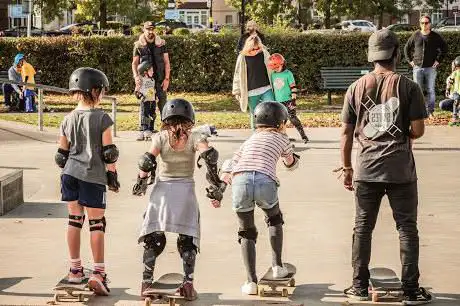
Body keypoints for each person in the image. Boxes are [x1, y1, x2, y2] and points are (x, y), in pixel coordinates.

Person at [340, 29, 432, 305]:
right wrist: (402, 132)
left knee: (362, 228)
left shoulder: (356, 87)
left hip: (367, 168)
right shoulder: (409, 87)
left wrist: (346, 168)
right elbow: (418, 130)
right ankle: (412, 290)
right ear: (394, 54)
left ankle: (358, 287)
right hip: (400, 170)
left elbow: (345, 133)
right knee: (407, 228)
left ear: (372, 55)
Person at [132, 98, 225, 300]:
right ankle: (188, 284)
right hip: (185, 192)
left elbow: (146, 162)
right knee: (187, 240)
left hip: (162, 192)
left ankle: (146, 282)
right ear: (190, 118)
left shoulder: (160, 137)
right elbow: (209, 156)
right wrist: (215, 184)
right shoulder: (195, 137)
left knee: (153, 238)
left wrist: (140, 182)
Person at [220, 101, 300, 295]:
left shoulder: (250, 140)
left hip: (240, 181)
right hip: (265, 180)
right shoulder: (282, 138)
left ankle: (251, 282)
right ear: (280, 123)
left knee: (246, 231)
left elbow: (230, 165)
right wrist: (293, 160)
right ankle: (277, 266)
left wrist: (222, 185)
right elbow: (290, 163)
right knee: (274, 219)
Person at [55, 67, 120, 296]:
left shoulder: (67, 118)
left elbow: (61, 155)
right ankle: (99, 272)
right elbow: (109, 153)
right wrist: (112, 175)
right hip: (92, 176)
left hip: (69, 174)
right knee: (97, 224)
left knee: (74, 220)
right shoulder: (102, 117)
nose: (102, 94)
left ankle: (75, 270)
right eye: (101, 90)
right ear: (93, 90)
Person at [404, 15, 448, 117]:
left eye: (426, 23)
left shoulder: (435, 36)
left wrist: (438, 61)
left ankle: (430, 111)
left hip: (430, 68)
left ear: (430, 24)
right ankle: (420, 112)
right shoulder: (415, 35)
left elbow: (444, 48)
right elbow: (406, 48)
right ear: (420, 24)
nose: (424, 25)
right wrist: (410, 61)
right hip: (417, 68)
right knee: (418, 91)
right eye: (422, 23)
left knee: (430, 90)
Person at [232, 35, 274, 130]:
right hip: (251, 92)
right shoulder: (242, 57)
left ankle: (271, 133)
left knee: (271, 108)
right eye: (253, 49)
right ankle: (256, 134)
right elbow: (237, 74)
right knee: (255, 114)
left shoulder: (264, 53)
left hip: (266, 88)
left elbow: (272, 67)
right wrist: (236, 90)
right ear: (248, 47)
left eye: (258, 48)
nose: (255, 51)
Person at [132, 21, 170, 120]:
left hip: (160, 79)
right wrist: (136, 77)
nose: (150, 31)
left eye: (152, 29)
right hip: (145, 81)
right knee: (146, 104)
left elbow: (167, 62)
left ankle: (166, 126)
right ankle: (146, 128)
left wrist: (167, 79)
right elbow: (134, 63)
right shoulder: (138, 45)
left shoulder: (161, 44)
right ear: (144, 30)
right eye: (148, 29)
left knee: (163, 103)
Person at [268, 53, 309, 143]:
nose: (275, 69)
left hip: (288, 101)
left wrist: (293, 100)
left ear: (282, 64)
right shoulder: (273, 75)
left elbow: (293, 87)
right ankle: (281, 138)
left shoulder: (288, 73)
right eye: (274, 68)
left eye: (277, 67)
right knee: (280, 121)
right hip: (278, 102)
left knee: (293, 118)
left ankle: (303, 135)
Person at [135, 60, 157, 141]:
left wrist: (156, 97)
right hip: (145, 101)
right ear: (145, 72)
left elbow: (153, 89)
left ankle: (150, 128)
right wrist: (140, 96)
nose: (153, 72)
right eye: (151, 70)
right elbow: (136, 90)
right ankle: (144, 129)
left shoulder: (152, 80)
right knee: (145, 115)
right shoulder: (141, 80)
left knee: (153, 115)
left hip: (152, 100)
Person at [439, 56, 460, 125]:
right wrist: (447, 90)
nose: (455, 68)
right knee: (442, 104)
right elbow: (449, 93)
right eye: (454, 66)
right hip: (456, 97)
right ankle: (456, 114)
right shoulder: (451, 76)